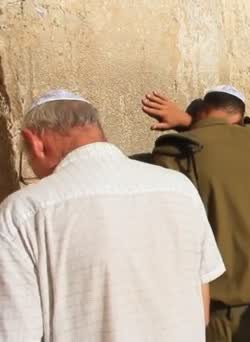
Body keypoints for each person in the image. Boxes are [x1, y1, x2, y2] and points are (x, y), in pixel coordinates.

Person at [0, 90, 225, 341]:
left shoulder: (23, 212)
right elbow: (201, 310)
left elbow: (15, 331)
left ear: (34, 142)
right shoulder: (180, 189)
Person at [141, 86, 250, 342]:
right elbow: (233, 132)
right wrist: (189, 121)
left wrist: (186, 123)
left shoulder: (179, 150)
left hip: (220, 306)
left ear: (203, 110)